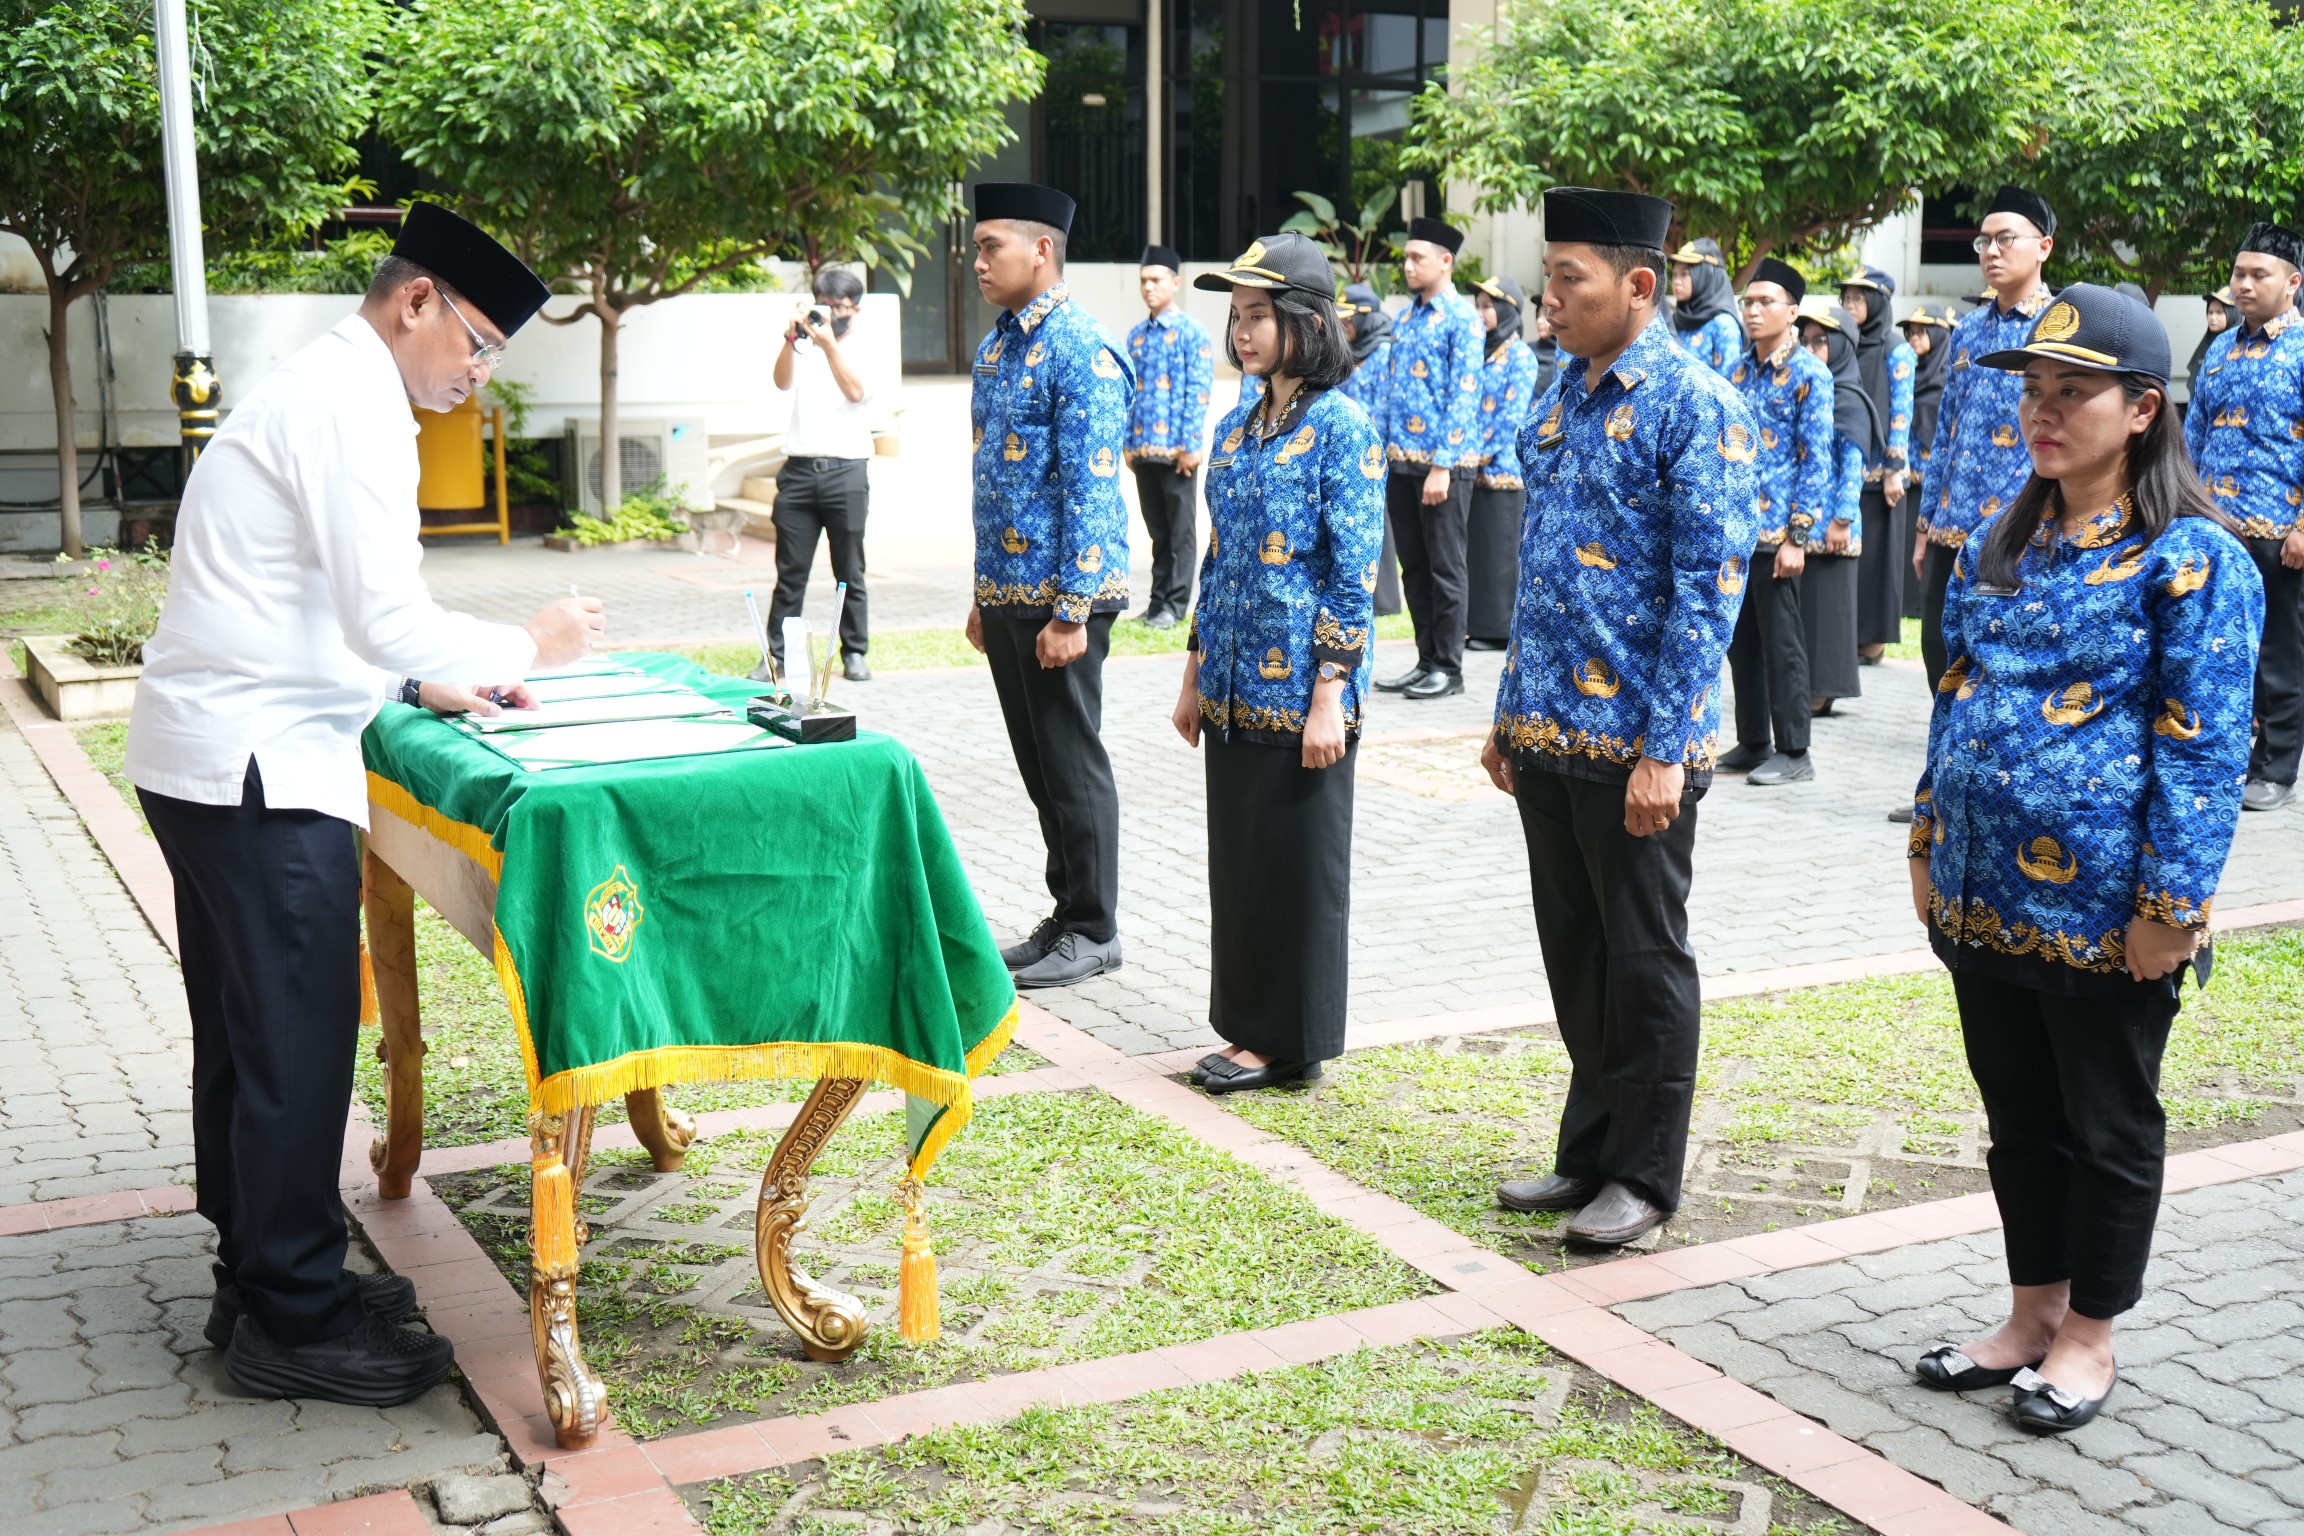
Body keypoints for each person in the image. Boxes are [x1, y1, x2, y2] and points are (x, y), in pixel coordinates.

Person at [124, 204, 603, 1405]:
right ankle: (294, 1315)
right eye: (480, 342)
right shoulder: (354, 408)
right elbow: (381, 613)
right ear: (416, 300)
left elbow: (332, 611)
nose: (481, 373)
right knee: (295, 1037)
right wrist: (527, 646)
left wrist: (432, 677)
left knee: (249, 1037)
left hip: (214, 754)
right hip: (254, 765)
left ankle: (263, 1270)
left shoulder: (327, 389)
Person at [1905, 283, 2260, 1434]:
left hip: (2109, 910)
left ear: (2144, 408)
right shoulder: (2006, 542)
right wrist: (1925, 834)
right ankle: (2028, 1314)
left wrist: (2172, 905)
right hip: (1978, 891)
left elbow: (2203, 751)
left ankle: (2092, 1337)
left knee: (2108, 1125)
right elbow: (1950, 700)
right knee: (2020, 1117)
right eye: (2032, 392)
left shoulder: (2193, 561)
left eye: (2074, 392)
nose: (2042, 414)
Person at [1484, 187, 1758, 1247]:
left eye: (1569, 280)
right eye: (1547, 277)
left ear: (1640, 286)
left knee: (1643, 959)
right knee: (1576, 953)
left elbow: (1708, 588)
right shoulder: (1562, 393)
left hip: (1638, 741)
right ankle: (1588, 1152)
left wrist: (1664, 751)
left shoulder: (1697, 405)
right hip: (1549, 728)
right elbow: (1540, 570)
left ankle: (1644, 1176)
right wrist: (1509, 715)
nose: (1548, 300)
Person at [1170, 233, 1384, 1095]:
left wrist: (1330, 692)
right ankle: (1247, 1025)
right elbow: (1218, 558)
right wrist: (1191, 676)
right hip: (1229, 688)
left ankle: (1289, 1043)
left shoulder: (1343, 426)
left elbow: (1353, 568)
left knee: (1299, 870)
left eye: (1260, 313)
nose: (1245, 331)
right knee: (1244, 864)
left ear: (1306, 319)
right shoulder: (1238, 424)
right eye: (1237, 315)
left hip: (1301, 693)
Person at [963, 182, 1134, 988]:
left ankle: (1096, 926)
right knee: (1039, 766)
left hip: (1061, 601)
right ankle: (1066, 913)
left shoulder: (1080, 347)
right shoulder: (998, 347)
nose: (978, 261)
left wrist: (1071, 611)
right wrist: (981, 591)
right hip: (1008, 596)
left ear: (1043, 250)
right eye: (976, 246)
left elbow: (1092, 490)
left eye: (992, 245)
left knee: (1071, 760)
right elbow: (990, 479)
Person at [1915, 186, 2057, 690]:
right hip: (1951, 526)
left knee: (2004, 656)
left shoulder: (2058, 328)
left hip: (2020, 525)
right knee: (1939, 649)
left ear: (2043, 247)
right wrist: (1925, 525)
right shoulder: (1969, 328)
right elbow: (1946, 431)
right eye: (1984, 241)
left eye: (2005, 239)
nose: (1991, 251)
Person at [2184, 223, 2304, 812]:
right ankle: (2225, 761)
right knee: (2217, 652)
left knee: (2279, 654)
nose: (2246, 284)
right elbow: (2194, 435)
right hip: (2216, 529)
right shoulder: (2220, 351)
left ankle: (2276, 768)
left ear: (2292, 282)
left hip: (2280, 534)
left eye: (2260, 274)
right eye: (2239, 274)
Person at [1721, 257, 1832, 785]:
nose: (1755, 310)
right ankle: (1753, 741)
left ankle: (1795, 750)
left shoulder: (1811, 373)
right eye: (1749, 301)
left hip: (1780, 535)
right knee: (1742, 643)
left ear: (1792, 311)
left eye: (1766, 301)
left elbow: (1817, 459)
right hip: (1737, 532)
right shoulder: (1737, 372)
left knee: (1782, 644)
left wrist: (1799, 536)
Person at [1373, 216, 1485, 700]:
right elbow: (1389, 389)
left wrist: (1443, 464)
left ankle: (1450, 668)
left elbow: (1465, 394)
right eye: (1406, 256)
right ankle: (1425, 660)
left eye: (1417, 257)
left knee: (1445, 568)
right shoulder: (1406, 317)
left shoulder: (1464, 319)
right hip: (1400, 460)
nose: (1408, 264)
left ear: (1446, 261)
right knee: (1413, 567)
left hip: (1443, 464)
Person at [769, 268, 883, 681]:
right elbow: (781, 382)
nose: (831, 313)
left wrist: (830, 346)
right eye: (824, 304)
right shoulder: (804, 343)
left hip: (846, 471)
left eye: (839, 306)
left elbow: (855, 392)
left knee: (849, 570)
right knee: (790, 572)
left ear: (856, 309)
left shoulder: (868, 346)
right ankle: (777, 656)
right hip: (798, 472)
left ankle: (854, 652)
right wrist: (791, 338)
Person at [1794, 300, 1881, 714]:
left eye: (1821, 342)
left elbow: (1853, 465)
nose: (1811, 350)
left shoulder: (1848, 399)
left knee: (1828, 613)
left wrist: (1842, 519)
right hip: (1806, 525)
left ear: (1843, 346)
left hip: (1834, 525)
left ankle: (1823, 689)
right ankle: (1807, 686)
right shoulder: (1810, 390)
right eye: (1805, 340)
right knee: (1810, 610)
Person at [1123, 244, 1216, 630]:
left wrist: (1192, 444)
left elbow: (1199, 390)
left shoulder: (1192, 332)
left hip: (1179, 451)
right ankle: (1157, 601)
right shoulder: (1136, 336)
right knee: (1158, 533)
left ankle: (1176, 606)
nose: (1149, 287)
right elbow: (1128, 393)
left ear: (1175, 283)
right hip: (1143, 450)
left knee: (1180, 533)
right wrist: (1127, 442)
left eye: (1156, 280)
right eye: (1144, 281)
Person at [1842, 266, 1917, 663]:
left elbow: (1901, 413)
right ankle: (1848, 635)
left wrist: (1894, 469)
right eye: (1848, 298)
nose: (1851, 305)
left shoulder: (1896, 349)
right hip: (1848, 473)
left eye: (1859, 298)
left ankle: (1872, 641)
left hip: (1880, 473)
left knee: (1878, 560)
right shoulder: (1845, 344)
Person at [1466, 275, 1540, 649]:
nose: (1480, 313)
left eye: (1487, 306)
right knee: (1479, 549)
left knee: (1499, 550)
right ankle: (1478, 625)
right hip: (1471, 467)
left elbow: (1510, 418)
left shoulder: (1521, 356)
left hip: (1501, 471)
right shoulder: (1478, 351)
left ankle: (1498, 631)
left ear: (1507, 310)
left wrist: (1478, 454)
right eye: (1477, 305)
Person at [1339, 281, 1403, 616]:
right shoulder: (1350, 352)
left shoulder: (1385, 351)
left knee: (1381, 524)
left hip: (1377, 453)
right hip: (1348, 451)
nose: (1344, 326)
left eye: (1349, 320)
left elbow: (1389, 405)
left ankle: (1385, 600)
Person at [1897, 304, 1957, 623]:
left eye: (1921, 331)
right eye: (1910, 332)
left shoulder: (1949, 378)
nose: (1913, 338)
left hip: (1932, 482)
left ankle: (1918, 607)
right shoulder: (1907, 373)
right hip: (1906, 478)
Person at [1668, 237, 1743, 373]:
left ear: (1706, 275)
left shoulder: (1723, 325)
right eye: (1675, 274)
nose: (1677, 281)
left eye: (1685, 274)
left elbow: (1728, 386)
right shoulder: (1675, 319)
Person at [2185, 285, 2235, 401]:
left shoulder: (2238, 346)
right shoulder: (2206, 344)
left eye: (2219, 312)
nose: (2212, 317)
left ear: (2232, 314)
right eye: (2210, 312)